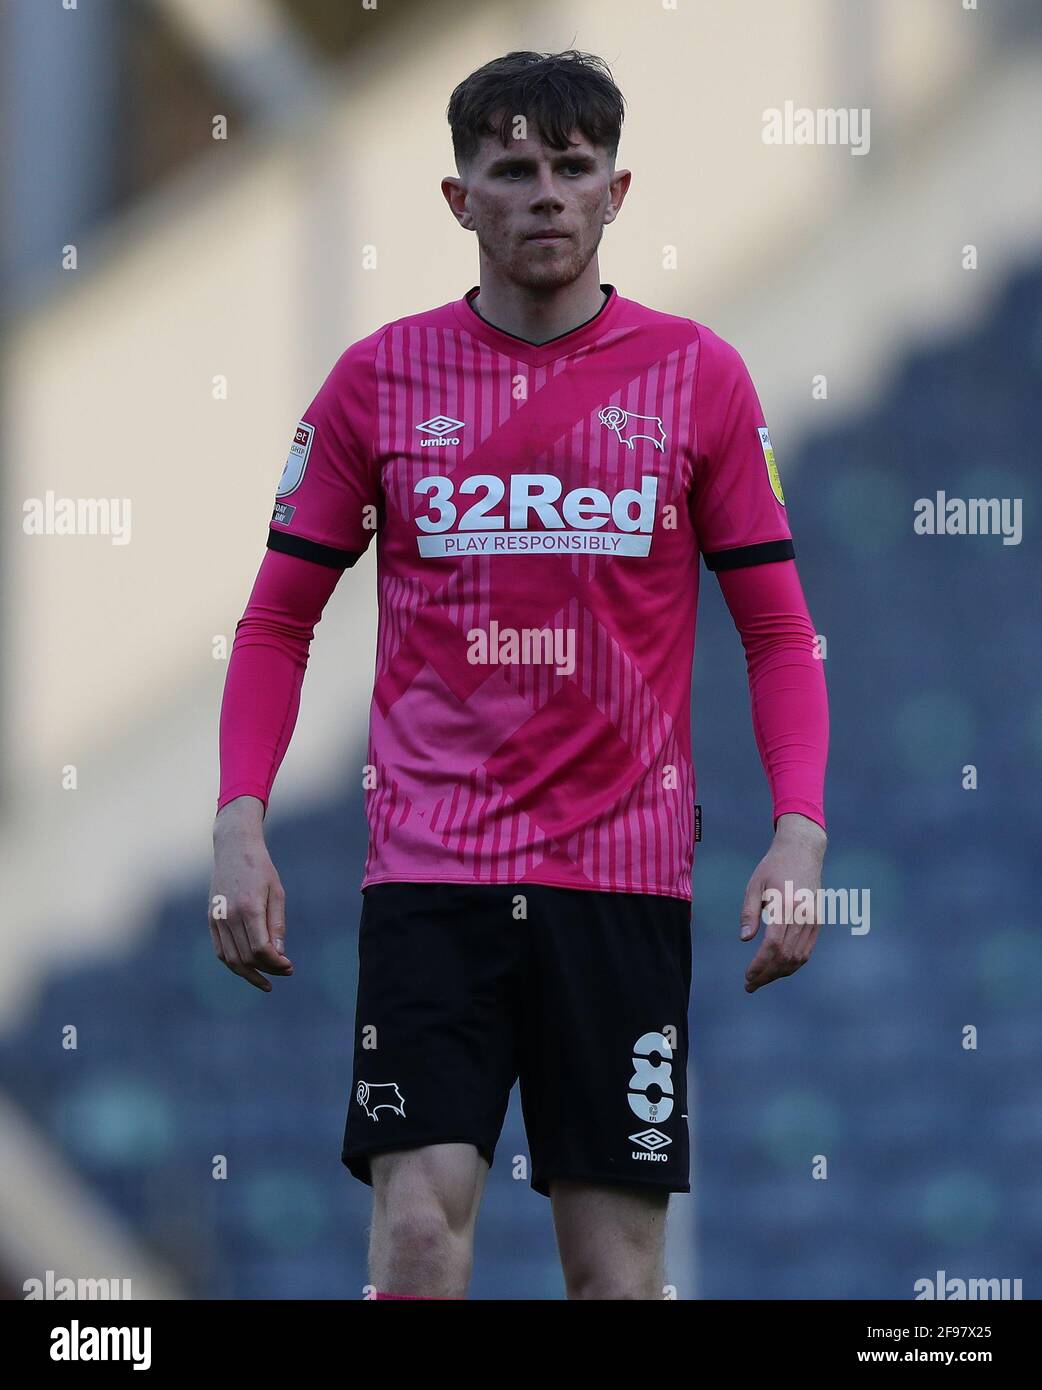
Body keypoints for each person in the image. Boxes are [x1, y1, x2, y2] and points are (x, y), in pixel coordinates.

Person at [210, 49, 829, 1301]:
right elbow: (278, 621)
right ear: (459, 199)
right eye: (513, 167)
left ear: (616, 190)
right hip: (435, 873)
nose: (545, 192)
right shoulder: (376, 384)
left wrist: (799, 833)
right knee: (420, 1238)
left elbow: (778, 633)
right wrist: (239, 817)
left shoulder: (696, 378)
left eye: (572, 166)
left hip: (623, 879)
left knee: (614, 1271)